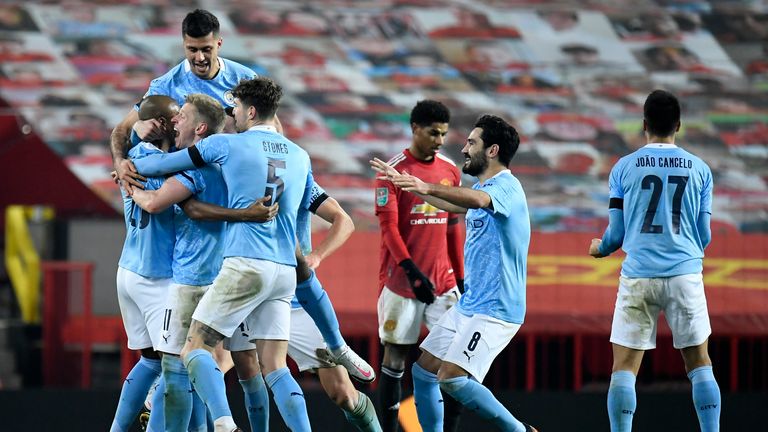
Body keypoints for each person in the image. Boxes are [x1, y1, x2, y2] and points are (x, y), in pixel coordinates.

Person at [112, 8, 374, 384]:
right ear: (183, 46)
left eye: (205, 49)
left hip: (240, 200)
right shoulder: (165, 85)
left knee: (223, 353)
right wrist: (122, 162)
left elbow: (273, 135)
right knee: (247, 358)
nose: (199, 58)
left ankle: (217, 415)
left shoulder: (243, 83)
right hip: (208, 206)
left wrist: (133, 176)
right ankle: (332, 348)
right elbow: (123, 131)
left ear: (219, 42)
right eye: (191, 50)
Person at [131, 77, 311, 432]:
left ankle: (224, 423)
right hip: (285, 270)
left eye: (238, 109)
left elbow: (158, 168)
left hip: (246, 263)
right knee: (272, 366)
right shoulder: (300, 155)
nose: (234, 116)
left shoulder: (228, 145)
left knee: (194, 348)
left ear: (251, 110)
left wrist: (132, 152)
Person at [371, 114, 538, 432]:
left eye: (471, 142)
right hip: (471, 304)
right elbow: (452, 205)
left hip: (496, 309)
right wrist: (409, 186)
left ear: (492, 151)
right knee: (423, 371)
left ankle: (518, 430)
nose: (463, 148)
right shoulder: (483, 187)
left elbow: (477, 200)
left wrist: (424, 184)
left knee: (452, 378)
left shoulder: (507, 187)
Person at [588, 90, 720, 432]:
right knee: (700, 364)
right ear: (679, 125)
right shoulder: (701, 170)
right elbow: (704, 235)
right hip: (684, 276)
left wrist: (599, 249)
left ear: (643, 125)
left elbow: (615, 237)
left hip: (638, 277)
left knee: (624, 369)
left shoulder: (623, 167)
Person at [373, 100, 465, 432]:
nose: (440, 140)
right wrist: (412, 271)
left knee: (454, 362)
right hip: (402, 282)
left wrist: (461, 277)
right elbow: (389, 229)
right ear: (415, 129)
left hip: (443, 283)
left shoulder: (450, 170)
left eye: (443, 134)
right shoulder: (393, 171)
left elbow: (453, 226)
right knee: (394, 360)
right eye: (433, 133)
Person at [110, 95, 179, 432]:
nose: (182, 124)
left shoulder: (130, 160)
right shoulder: (166, 165)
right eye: (177, 118)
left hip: (129, 270)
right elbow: (160, 203)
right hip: (156, 277)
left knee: (151, 360)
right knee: (176, 365)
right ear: (163, 124)